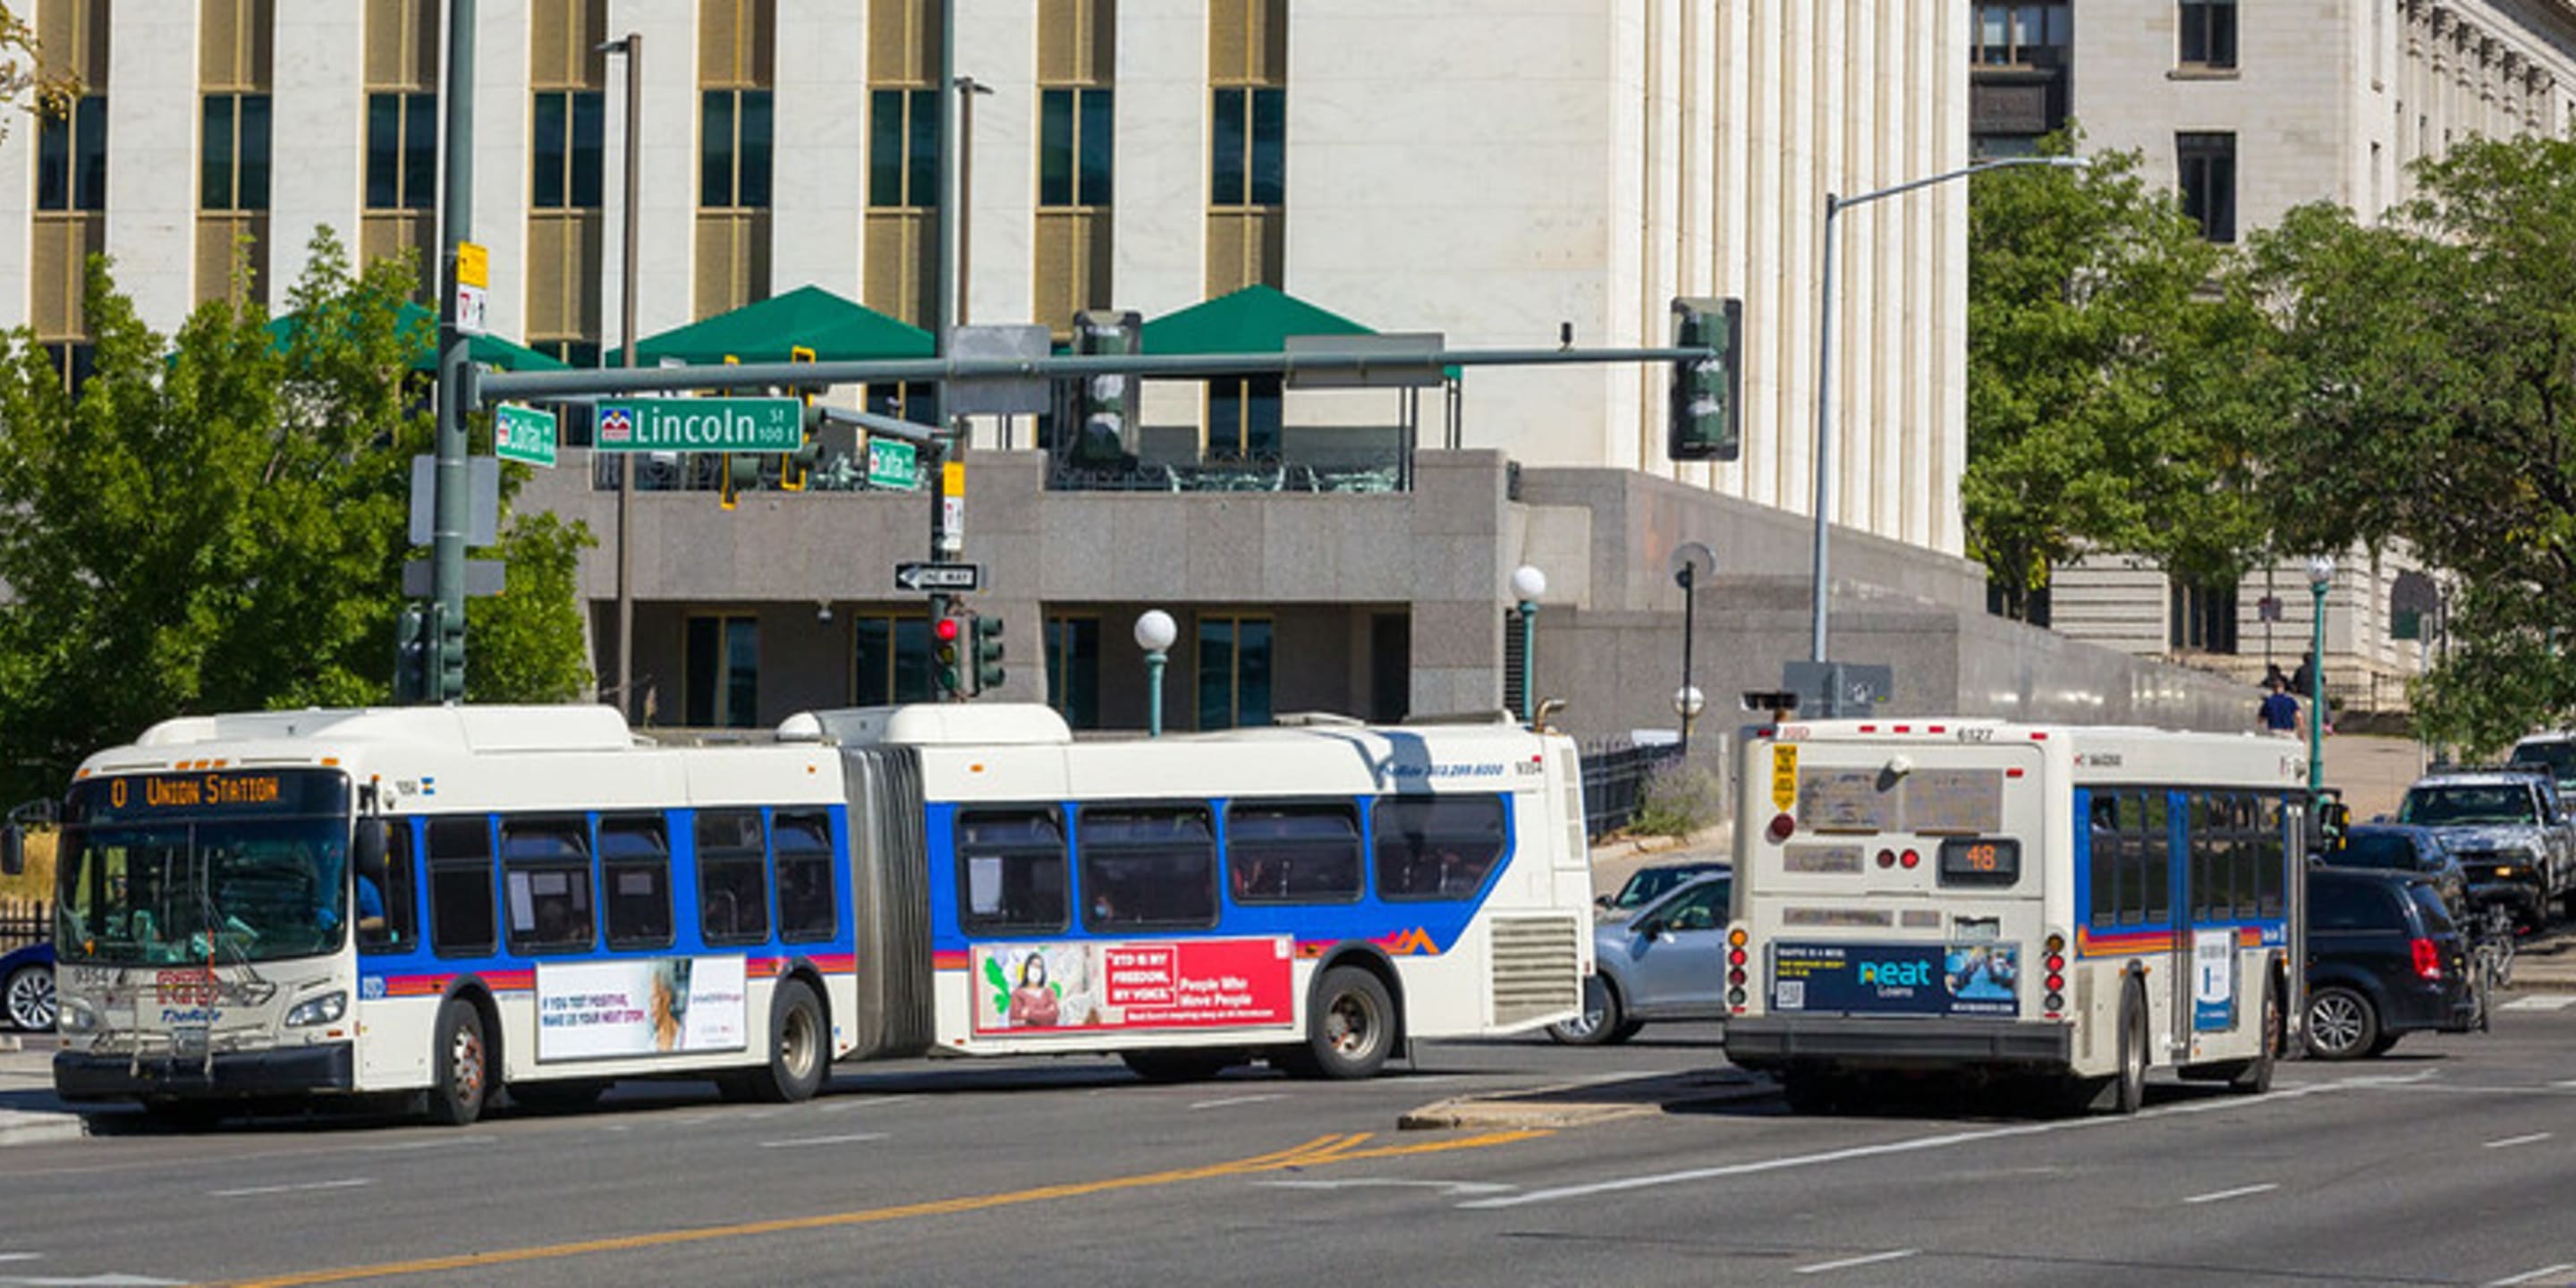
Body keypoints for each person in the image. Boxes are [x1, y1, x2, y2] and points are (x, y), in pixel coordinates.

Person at [1007, 953, 1060, 1027]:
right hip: (1026, 1037)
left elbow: (1053, 1017)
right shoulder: (1017, 994)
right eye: (1033, 966)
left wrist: (1029, 1013)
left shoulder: (1049, 993)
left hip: (1047, 1037)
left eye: (1039, 967)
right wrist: (1045, 1014)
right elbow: (1015, 1022)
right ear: (1027, 969)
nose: (1036, 970)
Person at [2258, 675, 2302, 739]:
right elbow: (2299, 717)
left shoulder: (2269, 702)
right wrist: (2301, 732)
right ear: (2283, 688)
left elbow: (2260, 720)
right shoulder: (2290, 701)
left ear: (2273, 689)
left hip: (2274, 732)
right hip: (2288, 732)